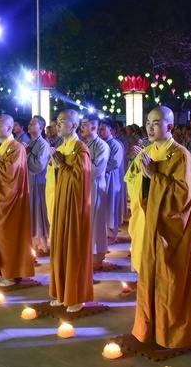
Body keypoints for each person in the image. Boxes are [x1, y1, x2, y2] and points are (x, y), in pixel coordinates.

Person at [124, 106, 191, 348]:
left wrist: (155, 177)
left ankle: (170, 333)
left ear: (170, 126)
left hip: (168, 229)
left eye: (156, 123)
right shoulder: (145, 152)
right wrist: (145, 178)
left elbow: (182, 196)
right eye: (148, 122)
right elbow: (131, 182)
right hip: (148, 225)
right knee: (147, 278)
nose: (150, 127)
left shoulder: (180, 155)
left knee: (168, 280)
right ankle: (147, 329)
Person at [46, 109, 93, 312]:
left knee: (73, 247)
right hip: (60, 204)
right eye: (57, 121)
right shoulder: (61, 148)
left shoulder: (81, 149)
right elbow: (53, 177)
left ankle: (76, 296)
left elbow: (80, 180)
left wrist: (62, 166)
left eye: (62, 122)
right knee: (59, 247)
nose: (57, 125)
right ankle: (61, 291)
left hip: (75, 207)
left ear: (74, 125)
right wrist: (57, 166)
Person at [0, 114, 35, 286]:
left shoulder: (17, 148)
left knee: (8, 236)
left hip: (10, 200)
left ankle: (12, 274)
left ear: (9, 128)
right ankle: (0, 270)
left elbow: (11, 176)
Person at [80, 113, 110, 269]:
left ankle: (96, 257)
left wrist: (78, 165)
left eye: (85, 124)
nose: (81, 127)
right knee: (85, 221)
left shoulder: (101, 146)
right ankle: (86, 254)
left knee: (96, 221)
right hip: (83, 187)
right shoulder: (83, 144)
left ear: (93, 127)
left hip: (95, 187)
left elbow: (96, 169)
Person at [26, 115, 51, 253]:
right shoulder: (30, 143)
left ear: (40, 127)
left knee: (39, 211)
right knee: (31, 212)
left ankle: (42, 244)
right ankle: (33, 244)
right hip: (29, 181)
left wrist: (28, 154)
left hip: (39, 182)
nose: (29, 125)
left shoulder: (43, 144)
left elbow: (39, 165)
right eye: (29, 123)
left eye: (33, 123)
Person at [99, 119, 125, 242]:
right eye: (99, 129)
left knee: (111, 205)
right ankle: (103, 232)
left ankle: (112, 234)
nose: (99, 131)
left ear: (111, 131)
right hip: (101, 179)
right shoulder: (100, 144)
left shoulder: (115, 145)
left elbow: (114, 163)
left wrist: (98, 168)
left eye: (103, 129)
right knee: (103, 206)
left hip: (111, 179)